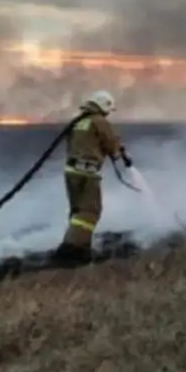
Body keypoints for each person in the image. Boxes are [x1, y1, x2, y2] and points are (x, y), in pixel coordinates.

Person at [53, 90, 130, 263]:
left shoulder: (79, 121)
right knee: (90, 211)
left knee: (78, 211)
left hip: (71, 172)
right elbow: (112, 144)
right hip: (88, 173)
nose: (108, 113)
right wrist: (118, 153)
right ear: (104, 105)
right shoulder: (99, 122)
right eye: (109, 109)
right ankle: (70, 250)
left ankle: (82, 249)